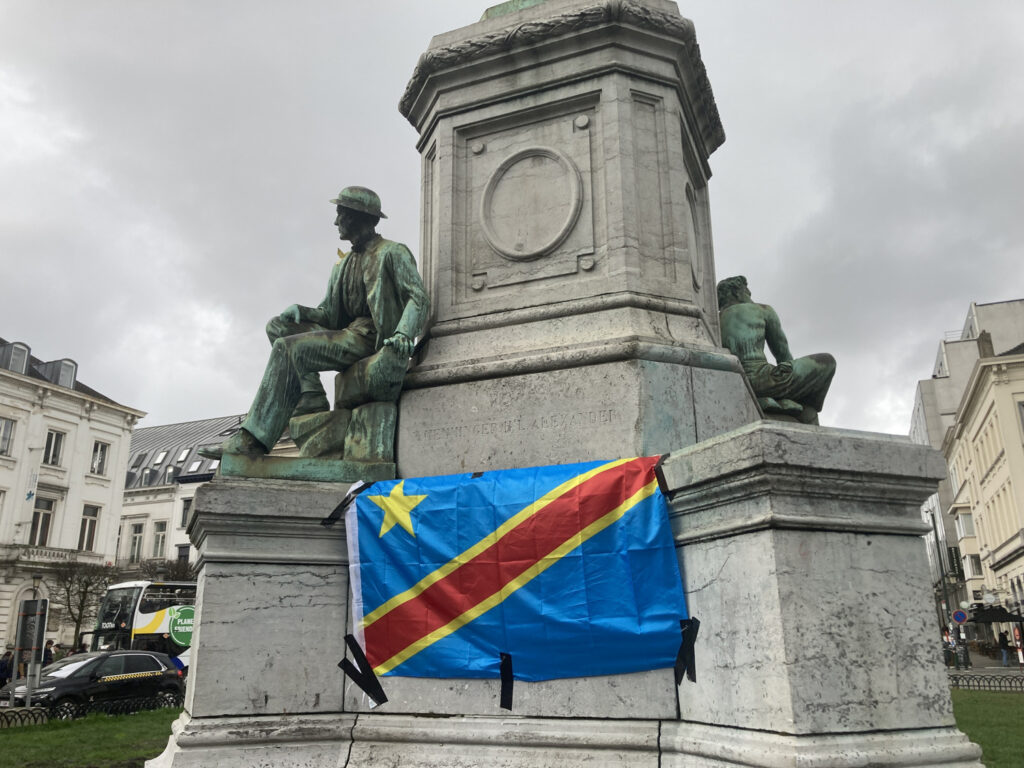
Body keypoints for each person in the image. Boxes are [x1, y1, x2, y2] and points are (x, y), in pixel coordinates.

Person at [204, 186, 429, 458]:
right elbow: (331, 316)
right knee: (278, 327)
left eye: (340, 215)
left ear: (359, 217)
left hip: (369, 338)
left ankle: (253, 440)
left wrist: (404, 333)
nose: (336, 222)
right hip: (347, 334)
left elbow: (418, 298)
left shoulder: (392, 252)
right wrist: (303, 311)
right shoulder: (343, 265)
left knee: (290, 348)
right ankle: (311, 399)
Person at [717, 275, 836, 424]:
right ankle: (801, 403)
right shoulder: (762, 310)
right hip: (763, 378)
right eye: (747, 291)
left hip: (732, 382)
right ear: (737, 292)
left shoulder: (713, 320)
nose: (750, 295)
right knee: (827, 362)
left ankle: (779, 402)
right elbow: (783, 355)